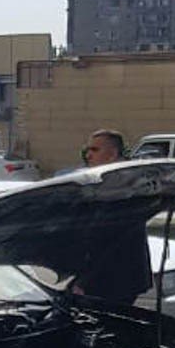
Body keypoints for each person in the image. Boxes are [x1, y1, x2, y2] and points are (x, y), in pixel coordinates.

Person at [68, 128, 152, 307]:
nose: (88, 155)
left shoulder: (124, 185)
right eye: (87, 150)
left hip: (115, 279)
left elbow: (112, 241)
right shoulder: (103, 181)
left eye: (95, 150)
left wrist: (84, 282)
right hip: (111, 278)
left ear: (112, 154)